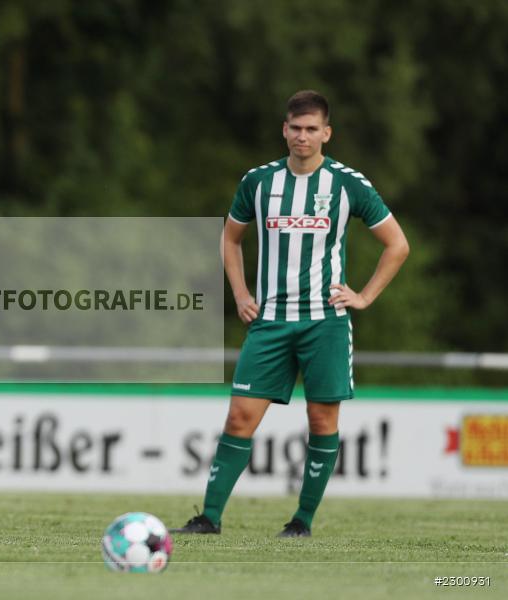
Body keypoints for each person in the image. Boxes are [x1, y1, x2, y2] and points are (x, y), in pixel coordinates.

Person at [172, 90, 410, 538]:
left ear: (326, 133)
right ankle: (209, 518)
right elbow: (230, 239)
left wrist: (364, 296)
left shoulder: (347, 184)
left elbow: (397, 245)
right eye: (295, 128)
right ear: (284, 129)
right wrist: (241, 292)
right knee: (239, 417)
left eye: (311, 129)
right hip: (270, 323)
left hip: (325, 322)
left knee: (322, 421)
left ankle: (301, 522)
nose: (302, 137)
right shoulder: (259, 182)